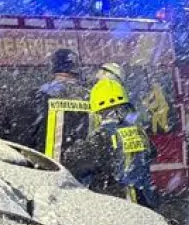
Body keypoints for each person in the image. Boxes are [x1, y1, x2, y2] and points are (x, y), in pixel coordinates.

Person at [63, 76, 160, 216]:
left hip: (118, 209)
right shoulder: (139, 131)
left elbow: (74, 163)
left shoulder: (101, 137)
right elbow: (151, 154)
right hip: (146, 206)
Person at [20, 48, 90, 157]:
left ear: (53, 68)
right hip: (83, 166)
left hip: (49, 165)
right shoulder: (91, 97)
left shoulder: (40, 95)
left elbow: (28, 136)